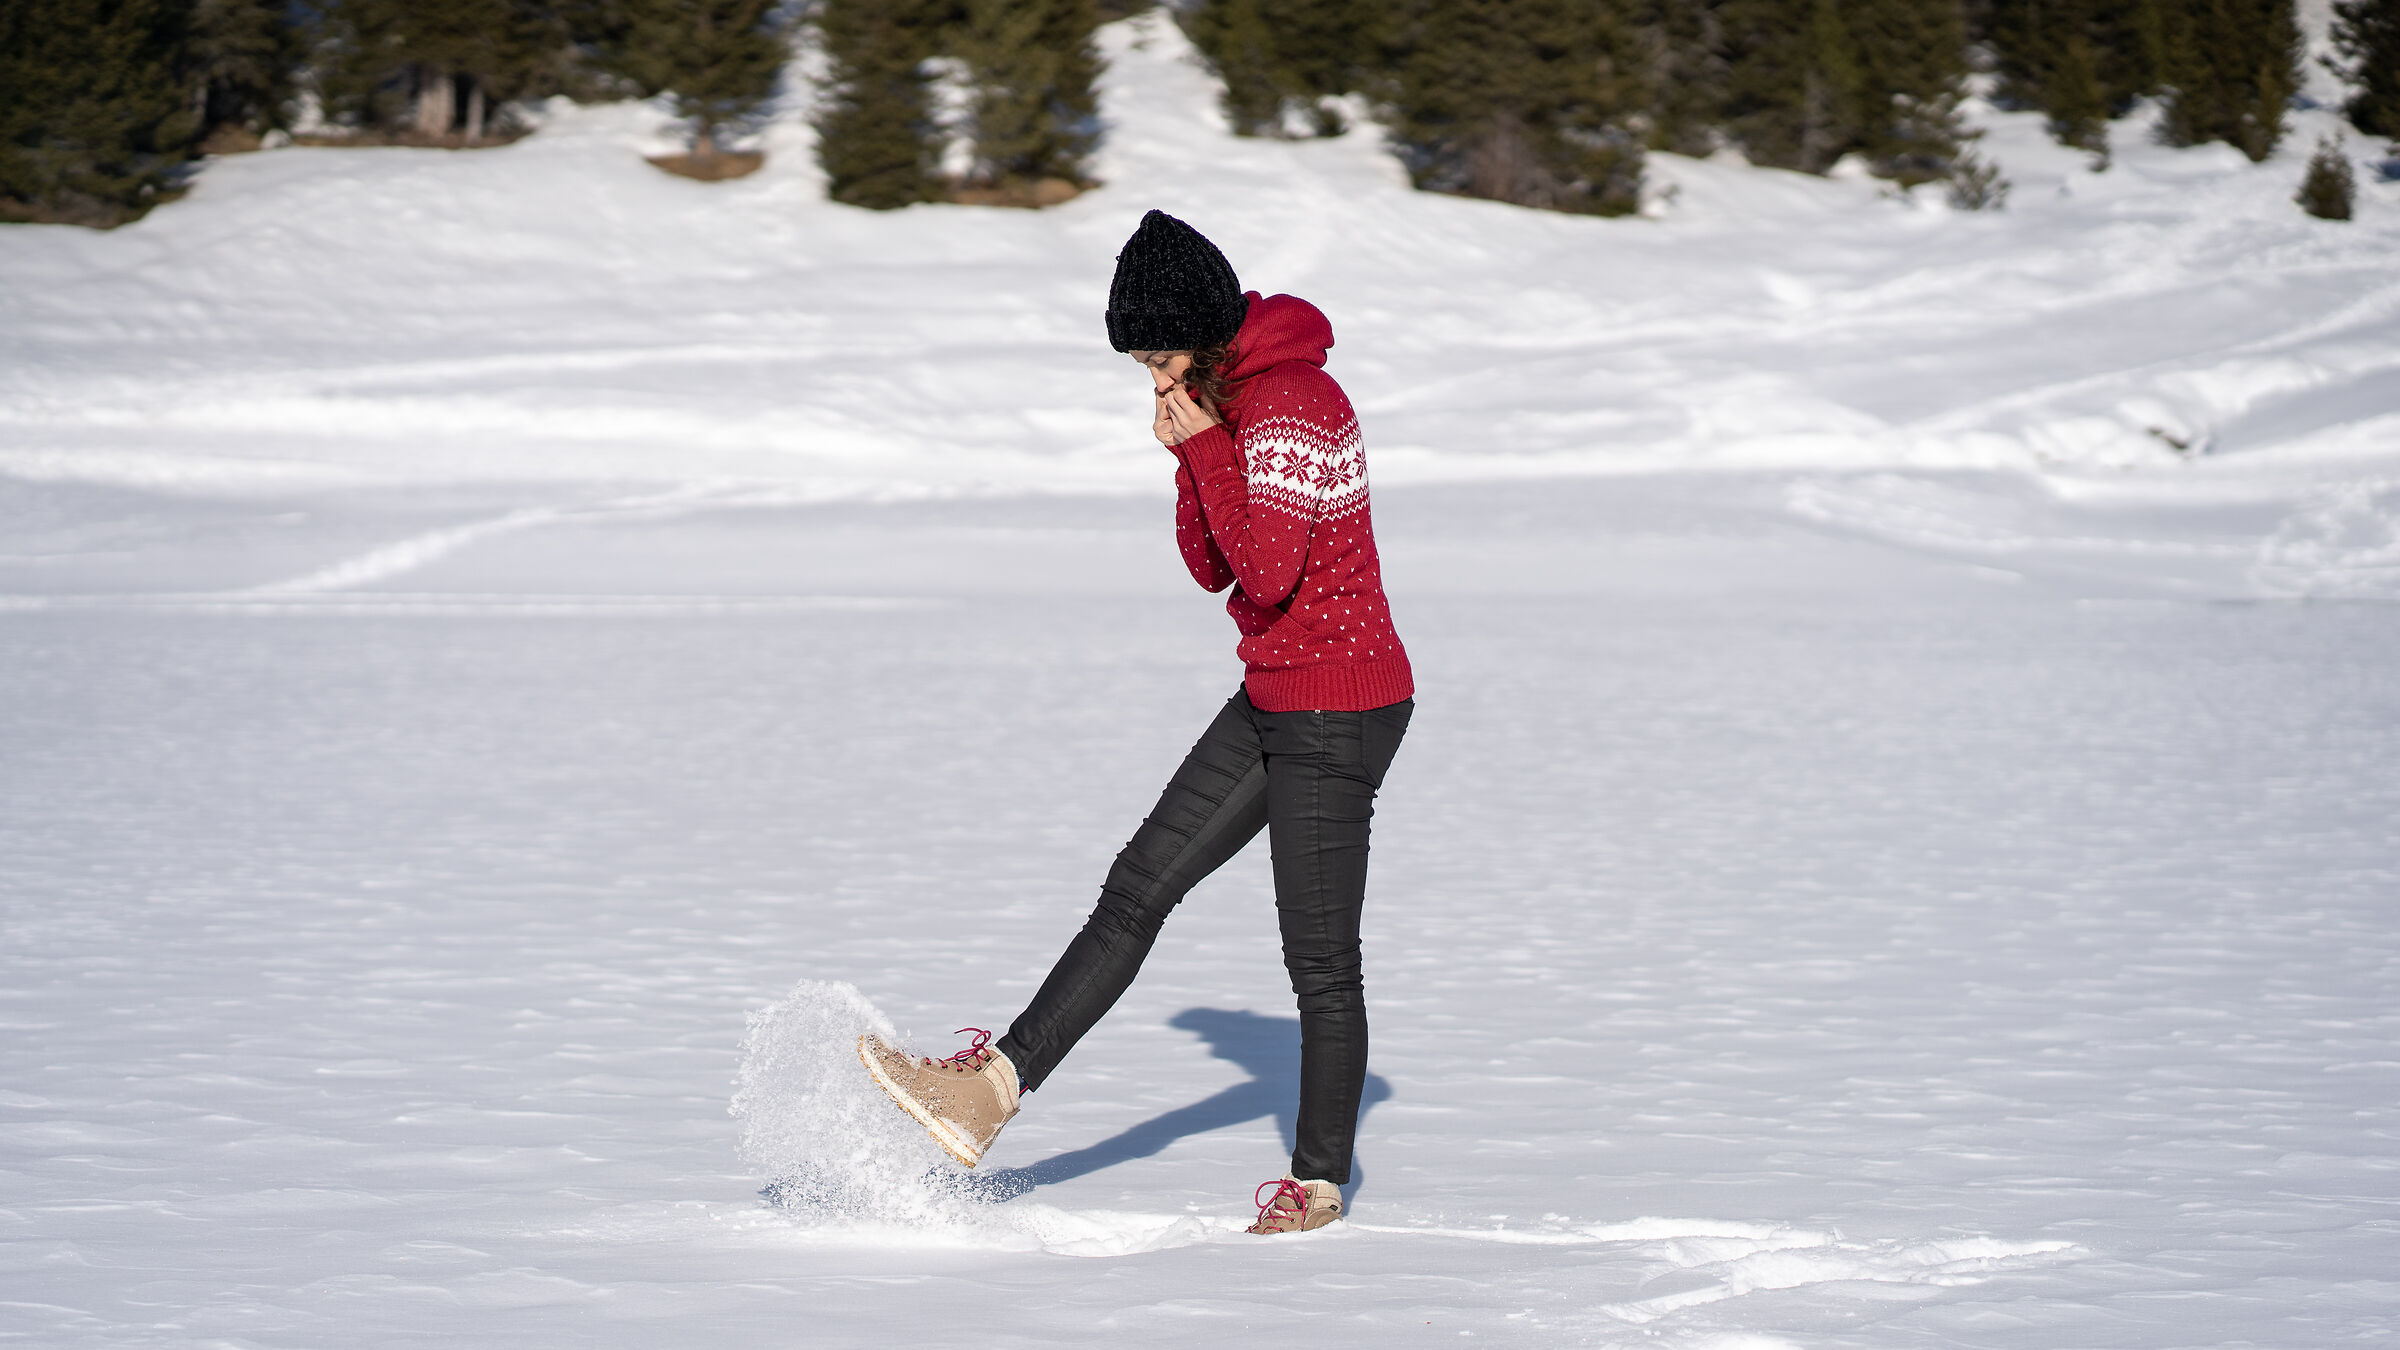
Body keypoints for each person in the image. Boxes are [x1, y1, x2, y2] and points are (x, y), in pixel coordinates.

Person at [860, 210, 1413, 1237]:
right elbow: (1211, 566)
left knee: (1320, 961)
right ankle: (989, 1092)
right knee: (1136, 887)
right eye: (1142, 366)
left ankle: (1318, 1185)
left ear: (1200, 333)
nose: (1153, 379)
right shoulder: (1229, 399)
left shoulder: (1292, 402)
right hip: (1276, 690)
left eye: (1160, 359)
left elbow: (1268, 572)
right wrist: (1189, 455)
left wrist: (1203, 447)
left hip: (1340, 706)